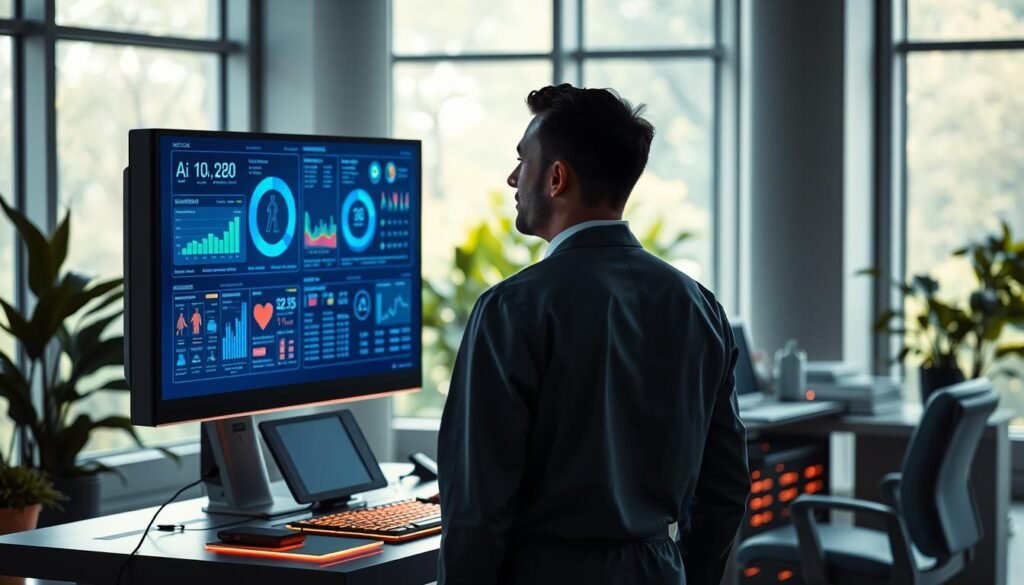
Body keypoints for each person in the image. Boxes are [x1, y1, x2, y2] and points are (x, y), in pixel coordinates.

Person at [437, 84, 750, 585]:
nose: (513, 177)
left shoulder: (512, 308)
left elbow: (476, 505)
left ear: (556, 178)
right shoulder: (699, 307)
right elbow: (726, 488)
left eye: (523, 160)